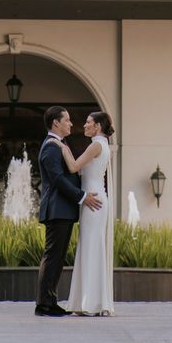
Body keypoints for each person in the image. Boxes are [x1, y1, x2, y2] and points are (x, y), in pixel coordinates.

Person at [35, 106, 101, 317]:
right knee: (53, 256)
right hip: (57, 209)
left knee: (57, 256)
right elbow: (57, 180)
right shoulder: (51, 147)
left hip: (62, 210)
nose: (71, 124)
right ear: (56, 123)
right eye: (67, 120)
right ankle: (44, 304)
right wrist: (82, 197)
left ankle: (49, 300)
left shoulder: (59, 145)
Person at [57, 110, 115, 316]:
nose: (85, 126)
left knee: (91, 247)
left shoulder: (96, 145)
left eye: (89, 123)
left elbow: (73, 167)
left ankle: (91, 302)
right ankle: (92, 300)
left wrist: (61, 146)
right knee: (91, 247)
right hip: (95, 197)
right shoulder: (102, 144)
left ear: (98, 126)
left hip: (93, 201)